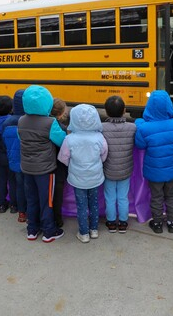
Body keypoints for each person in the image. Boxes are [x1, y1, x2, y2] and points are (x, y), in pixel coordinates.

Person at [18, 85, 66, 243]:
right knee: (47, 200)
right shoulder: (50, 122)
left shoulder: (21, 120)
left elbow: (22, 139)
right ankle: (49, 231)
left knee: (31, 198)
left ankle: (32, 229)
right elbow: (61, 141)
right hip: (45, 169)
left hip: (27, 167)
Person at [135, 90, 173, 234]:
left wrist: (140, 123)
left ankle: (157, 223)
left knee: (156, 197)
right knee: (171, 196)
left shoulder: (144, 127)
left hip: (154, 171)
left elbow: (140, 145)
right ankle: (172, 223)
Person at [58, 104, 108, 243]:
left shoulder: (69, 139)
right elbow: (104, 155)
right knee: (94, 203)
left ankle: (84, 233)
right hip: (95, 176)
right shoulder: (99, 137)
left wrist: (73, 166)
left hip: (77, 178)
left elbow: (63, 157)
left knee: (81, 205)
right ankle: (94, 230)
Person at [101, 95, 136, 234]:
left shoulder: (102, 128)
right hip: (125, 169)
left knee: (110, 197)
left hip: (108, 169)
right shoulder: (132, 127)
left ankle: (110, 223)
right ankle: (122, 222)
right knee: (123, 197)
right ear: (124, 110)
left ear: (106, 111)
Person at [2, 89, 27, 223]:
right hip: (29, 161)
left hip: (14, 161)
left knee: (18, 186)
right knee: (29, 187)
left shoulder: (7, 122)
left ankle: (20, 211)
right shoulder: (29, 121)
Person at [50, 98, 68, 228]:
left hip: (46, 165)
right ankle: (57, 219)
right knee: (57, 195)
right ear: (62, 113)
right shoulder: (61, 129)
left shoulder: (43, 124)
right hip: (59, 166)